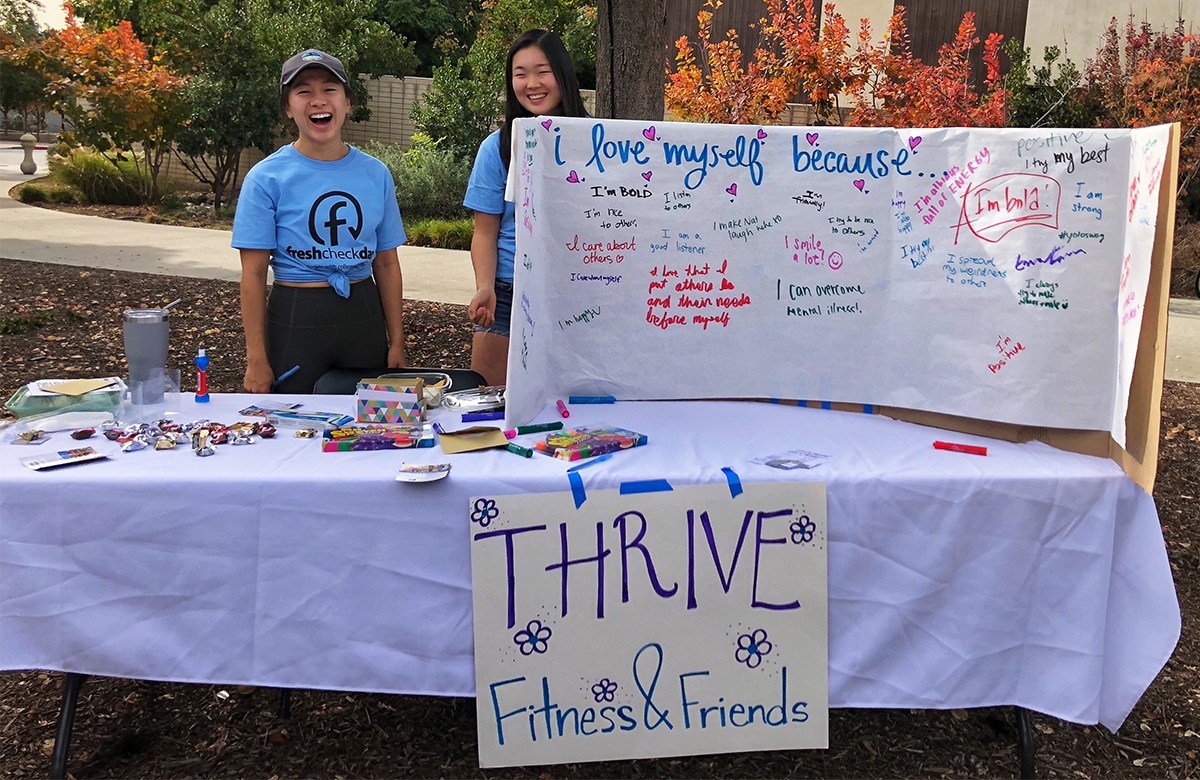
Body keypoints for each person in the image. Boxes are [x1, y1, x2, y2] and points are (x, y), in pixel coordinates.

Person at [233, 49, 408, 394]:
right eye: (303, 91)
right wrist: (256, 358)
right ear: (287, 107)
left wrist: (397, 340)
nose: (318, 100)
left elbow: (386, 263)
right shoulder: (265, 177)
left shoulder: (376, 174)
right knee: (291, 429)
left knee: (368, 432)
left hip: (363, 318)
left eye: (330, 89)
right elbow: (252, 274)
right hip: (296, 320)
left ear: (347, 102)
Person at [464, 29, 589, 385]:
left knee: (573, 408)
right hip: (505, 294)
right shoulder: (498, 147)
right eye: (520, 74)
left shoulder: (598, 142)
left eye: (542, 71)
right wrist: (485, 287)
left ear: (562, 74)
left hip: (577, 291)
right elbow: (485, 232)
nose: (532, 83)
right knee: (492, 404)